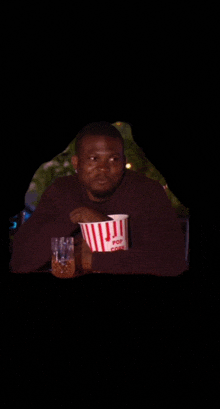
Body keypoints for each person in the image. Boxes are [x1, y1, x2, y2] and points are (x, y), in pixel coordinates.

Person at [10, 121, 187, 276]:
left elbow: (172, 262)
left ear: (123, 161)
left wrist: (90, 259)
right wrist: (73, 217)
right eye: (93, 159)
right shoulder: (63, 191)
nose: (103, 168)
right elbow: (20, 260)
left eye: (113, 159)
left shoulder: (146, 192)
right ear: (76, 163)